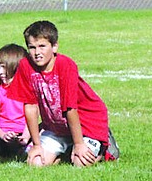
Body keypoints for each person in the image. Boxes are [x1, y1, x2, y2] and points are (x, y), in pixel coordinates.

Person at [7, 20, 112, 168]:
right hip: (57, 127)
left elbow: (70, 109)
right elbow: (30, 107)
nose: (37, 53)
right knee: (36, 163)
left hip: (85, 123)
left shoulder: (66, 65)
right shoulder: (25, 66)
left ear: (55, 46)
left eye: (42, 46)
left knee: (80, 162)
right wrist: (36, 145)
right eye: (32, 47)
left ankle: (103, 143)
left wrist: (79, 144)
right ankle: (66, 150)